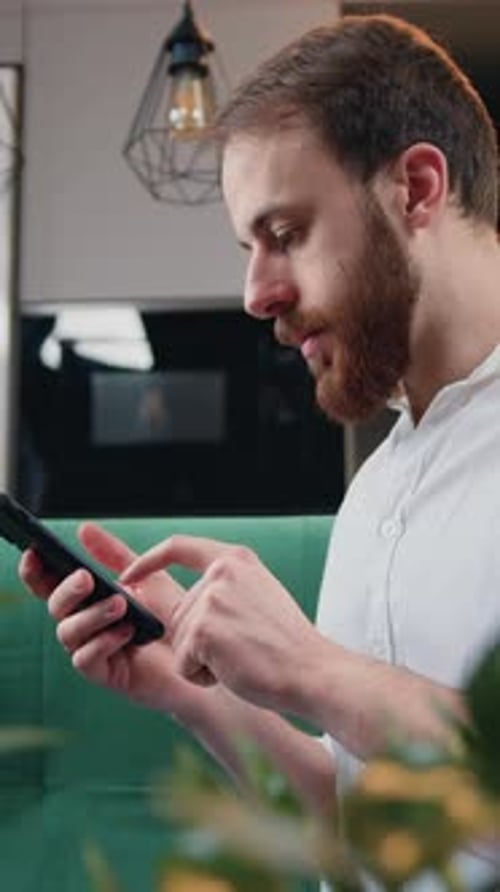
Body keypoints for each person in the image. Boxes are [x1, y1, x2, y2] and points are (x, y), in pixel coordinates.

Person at [20, 12, 500, 887]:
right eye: (249, 247)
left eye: (285, 234)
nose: (254, 293)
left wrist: (314, 670)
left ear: (418, 189)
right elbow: (353, 824)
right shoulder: (380, 488)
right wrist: (186, 691)